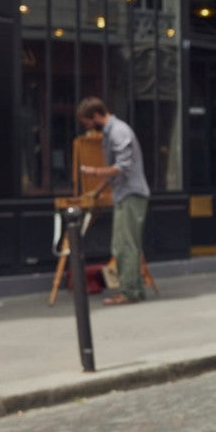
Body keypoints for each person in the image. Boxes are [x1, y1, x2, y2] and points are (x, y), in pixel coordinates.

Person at [75, 97, 150, 304]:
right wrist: (97, 191)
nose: (88, 127)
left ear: (97, 115)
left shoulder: (118, 131)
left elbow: (122, 167)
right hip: (125, 194)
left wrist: (94, 171)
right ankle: (133, 289)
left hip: (130, 194)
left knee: (125, 245)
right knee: (123, 244)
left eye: (88, 122)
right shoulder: (111, 132)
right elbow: (115, 172)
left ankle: (130, 292)